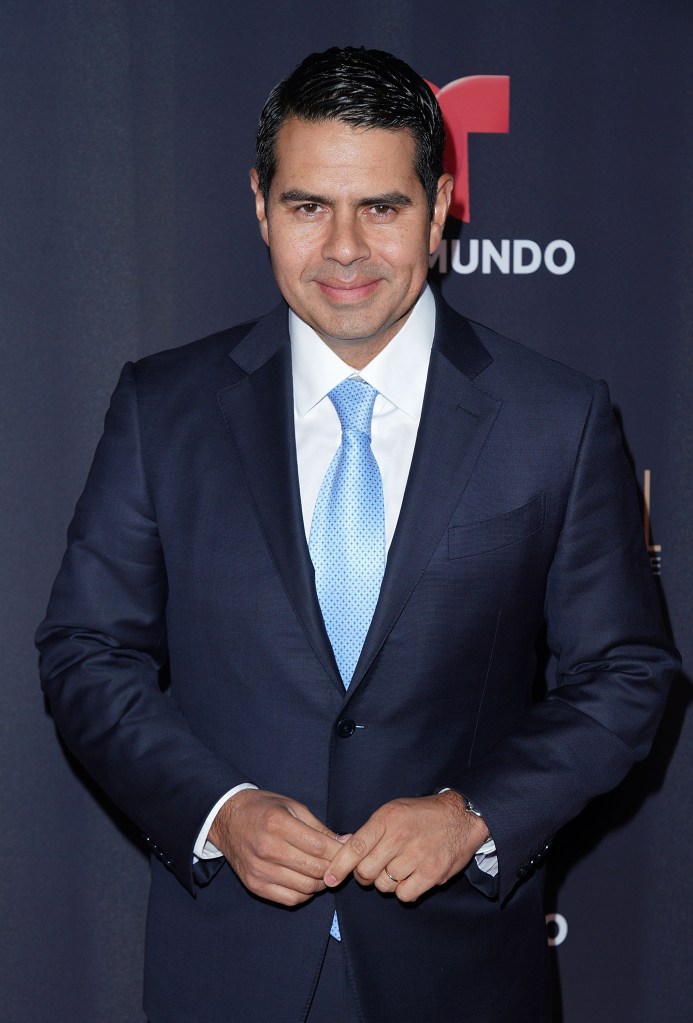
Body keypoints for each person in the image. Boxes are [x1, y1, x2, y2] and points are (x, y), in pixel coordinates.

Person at [36, 46, 678, 1023]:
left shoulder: (557, 418)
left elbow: (628, 673)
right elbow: (86, 651)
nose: (344, 247)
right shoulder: (162, 408)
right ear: (260, 204)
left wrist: (476, 815)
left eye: (380, 206)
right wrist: (218, 811)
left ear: (441, 206)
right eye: (307, 206)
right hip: (227, 973)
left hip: (463, 974)